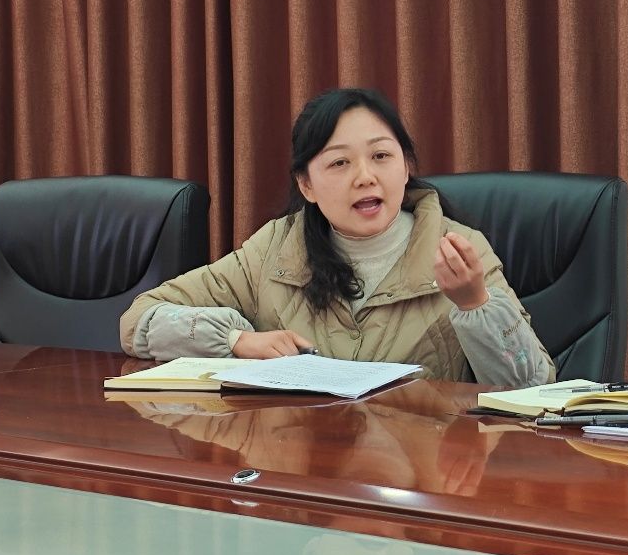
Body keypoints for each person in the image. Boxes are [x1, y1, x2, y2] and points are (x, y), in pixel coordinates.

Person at [120, 88, 555, 388]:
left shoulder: (458, 249)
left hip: (422, 483)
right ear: (306, 186)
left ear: (406, 167)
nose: (365, 177)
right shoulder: (274, 250)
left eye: (381, 156)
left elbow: (533, 387)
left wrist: (475, 303)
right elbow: (139, 321)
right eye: (339, 163)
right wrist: (237, 341)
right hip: (303, 477)